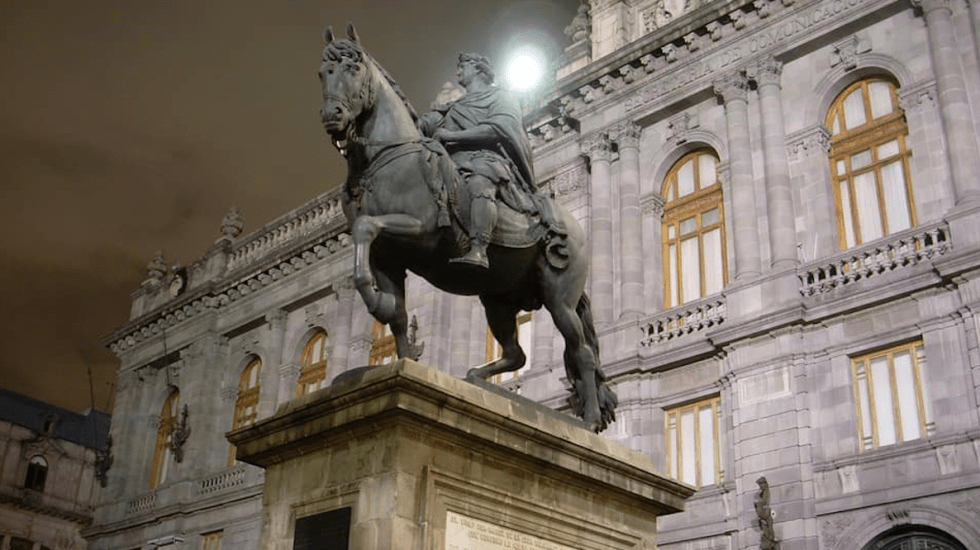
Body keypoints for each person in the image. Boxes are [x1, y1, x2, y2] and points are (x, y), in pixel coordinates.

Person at [419, 53, 538, 269]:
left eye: (462, 66)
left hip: (487, 159)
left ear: (478, 68)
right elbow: (426, 124)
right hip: (453, 162)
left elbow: (497, 129)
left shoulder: (502, 97)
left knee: (480, 182)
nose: (458, 71)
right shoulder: (453, 106)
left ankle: (479, 249)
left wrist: (451, 136)